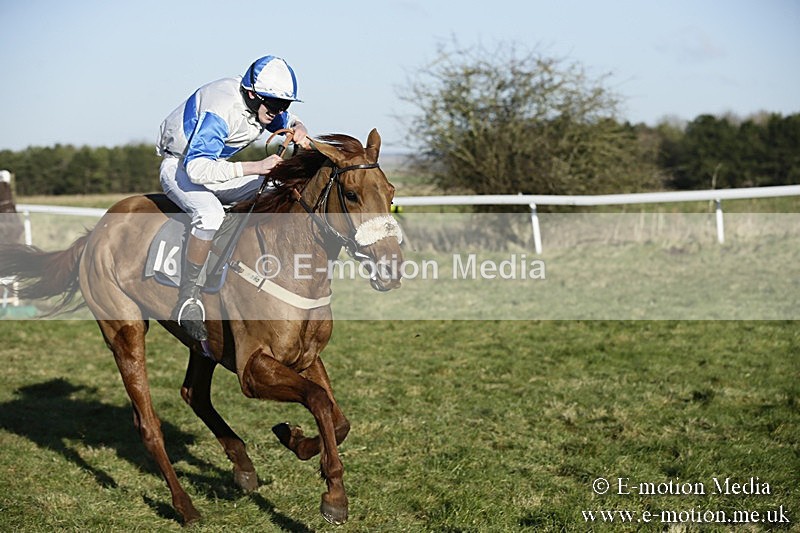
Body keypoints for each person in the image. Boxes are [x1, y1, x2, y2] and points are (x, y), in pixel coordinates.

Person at [156, 55, 310, 342]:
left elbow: (286, 119)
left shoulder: (261, 103)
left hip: (208, 169)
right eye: (274, 105)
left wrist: (298, 126)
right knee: (211, 214)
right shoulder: (221, 107)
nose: (279, 112)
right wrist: (254, 167)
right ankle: (187, 298)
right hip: (180, 168)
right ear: (251, 95)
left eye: (285, 105)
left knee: (274, 186)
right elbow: (197, 168)